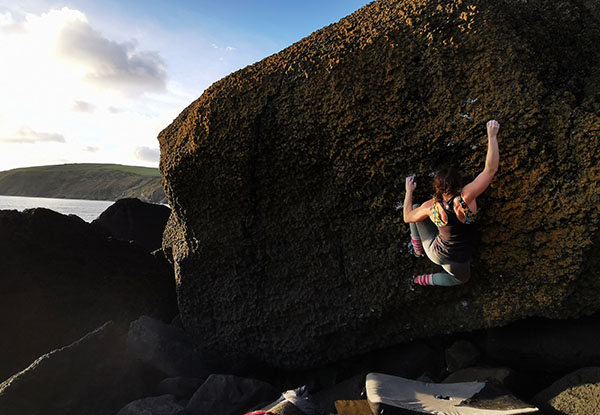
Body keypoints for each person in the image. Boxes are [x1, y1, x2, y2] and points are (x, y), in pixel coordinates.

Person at [402, 119, 500, 286]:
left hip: (437, 253)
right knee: (460, 279)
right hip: (458, 260)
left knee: (416, 209)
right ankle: (421, 280)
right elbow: (490, 169)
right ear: (459, 183)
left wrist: (409, 192)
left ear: (437, 187)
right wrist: (492, 136)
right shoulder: (467, 197)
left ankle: (418, 249)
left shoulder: (431, 207)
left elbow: (407, 217)